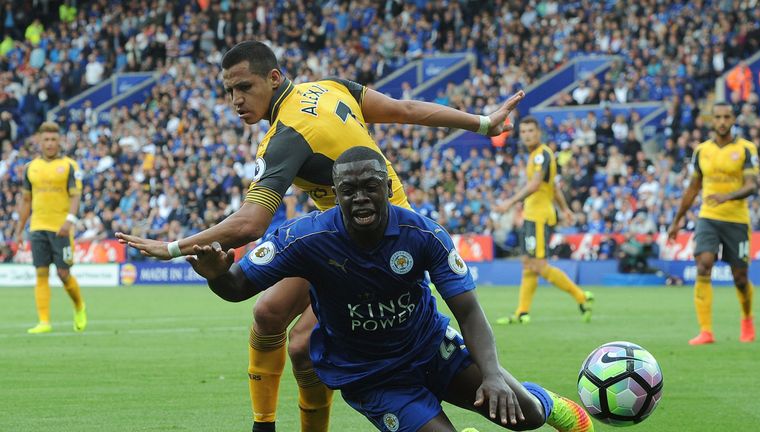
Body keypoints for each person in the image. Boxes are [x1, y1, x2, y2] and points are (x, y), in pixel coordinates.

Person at [115, 40, 525, 432]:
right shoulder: (329, 88)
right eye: (229, 91)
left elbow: (251, 223)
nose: (236, 100)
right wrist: (482, 122)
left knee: (301, 346)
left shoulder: (284, 139)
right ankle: (264, 423)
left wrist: (171, 247)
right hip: (355, 230)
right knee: (267, 314)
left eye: (244, 87)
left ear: (273, 77)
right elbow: (406, 109)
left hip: (377, 243)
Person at [187, 147, 593, 432]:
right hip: (371, 377)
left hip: (432, 350)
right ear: (336, 195)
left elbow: (467, 310)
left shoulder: (422, 233)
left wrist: (492, 375)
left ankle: (552, 406)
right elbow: (238, 288)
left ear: (387, 187)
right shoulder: (306, 238)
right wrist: (216, 274)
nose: (360, 197)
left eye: (370, 186)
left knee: (526, 418)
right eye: (348, 190)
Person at [669, 102, 758, 345]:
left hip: (736, 220)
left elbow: (752, 185)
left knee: (740, 278)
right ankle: (706, 331)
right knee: (704, 264)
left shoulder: (746, 149)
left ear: (733, 119)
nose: (721, 121)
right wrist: (676, 221)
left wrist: (726, 197)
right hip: (708, 217)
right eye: (717, 117)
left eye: (726, 117)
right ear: (712, 120)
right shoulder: (702, 151)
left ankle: (747, 318)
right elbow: (693, 188)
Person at [494, 117, 594, 325]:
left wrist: (509, 202)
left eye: (531, 130)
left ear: (539, 132)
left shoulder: (541, 155)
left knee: (538, 264)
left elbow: (535, 185)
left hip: (539, 217)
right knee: (528, 265)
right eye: (523, 131)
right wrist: (565, 209)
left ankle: (581, 297)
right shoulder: (536, 156)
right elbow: (553, 187)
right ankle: (522, 312)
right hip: (533, 216)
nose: (527, 135)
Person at [14, 121, 87, 334]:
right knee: (41, 272)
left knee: (63, 273)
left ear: (59, 141)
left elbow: (76, 196)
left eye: (53, 139)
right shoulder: (30, 168)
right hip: (37, 227)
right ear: (39, 141)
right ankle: (44, 321)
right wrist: (19, 229)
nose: (50, 143)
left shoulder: (70, 166)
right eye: (46, 139)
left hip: (61, 228)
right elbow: (26, 201)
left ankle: (79, 306)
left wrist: (70, 220)